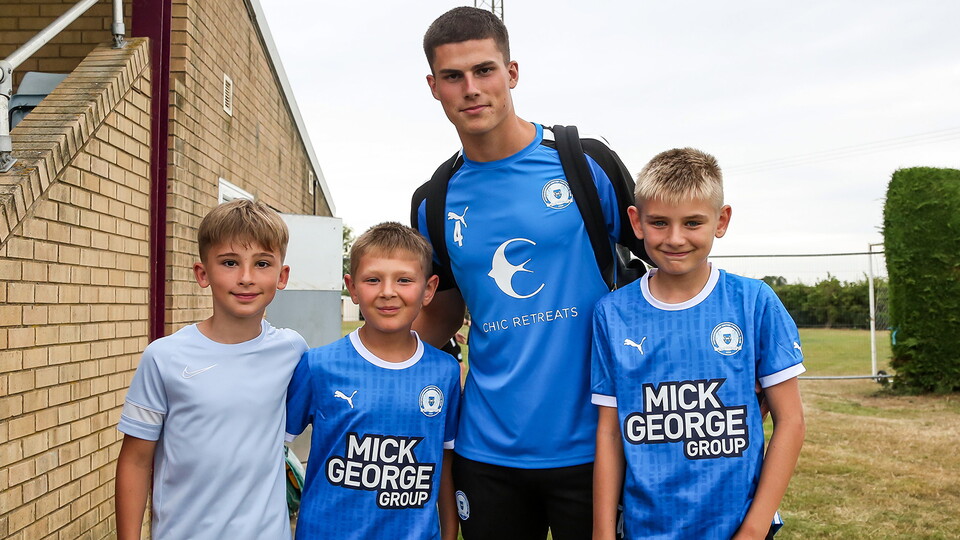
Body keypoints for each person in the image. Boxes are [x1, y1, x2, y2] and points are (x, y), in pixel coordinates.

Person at [411, 7, 642, 539]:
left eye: (484, 70)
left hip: (597, 444)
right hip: (487, 451)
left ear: (512, 73)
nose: (471, 88)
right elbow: (439, 318)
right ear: (433, 86)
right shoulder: (434, 201)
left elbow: (668, 270)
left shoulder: (585, 164)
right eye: (453, 76)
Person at [591, 148, 806, 539]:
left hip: (738, 525)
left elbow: (790, 421)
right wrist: (603, 531)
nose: (675, 239)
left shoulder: (753, 302)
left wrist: (755, 527)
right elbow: (609, 431)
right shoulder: (612, 312)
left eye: (693, 222)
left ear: (721, 220)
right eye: (659, 222)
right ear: (636, 222)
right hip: (646, 527)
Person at [115, 199, 308, 540]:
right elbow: (135, 461)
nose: (246, 278)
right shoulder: (164, 356)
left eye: (262, 263)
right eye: (230, 262)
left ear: (282, 276)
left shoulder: (293, 351)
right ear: (202, 274)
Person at [285, 222, 461, 540]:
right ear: (352, 288)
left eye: (404, 280)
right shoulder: (318, 365)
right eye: (373, 280)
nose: (388, 291)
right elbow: (274, 452)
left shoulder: (444, 372)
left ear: (429, 289)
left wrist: (449, 532)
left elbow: (444, 461)